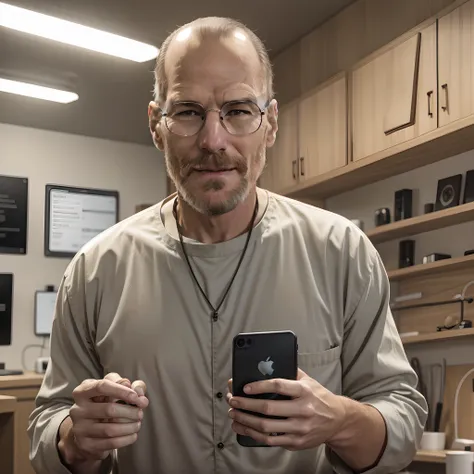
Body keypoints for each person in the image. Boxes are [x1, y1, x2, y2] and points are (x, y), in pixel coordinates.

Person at [28, 16, 427, 474]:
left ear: (270, 123)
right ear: (157, 125)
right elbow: (45, 428)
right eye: (188, 112)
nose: (212, 140)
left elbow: (404, 421)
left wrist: (339, 419)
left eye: (238, 110)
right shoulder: (95, 271)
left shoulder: (343, 254)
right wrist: (75, 439)